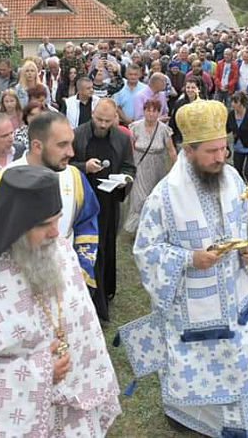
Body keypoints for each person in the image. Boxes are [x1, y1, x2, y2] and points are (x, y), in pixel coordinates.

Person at [118, 98, 248, 438]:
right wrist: (190, 258)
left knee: (239, 360)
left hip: (232, 299)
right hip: (188, 307)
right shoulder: (164, 196)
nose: (221, 157)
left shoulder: (232, 178)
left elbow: (246, 220)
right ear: (188, 151)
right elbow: (146, 250)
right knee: (193, 363)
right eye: (211, 151)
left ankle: (238, 423)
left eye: (223, 148)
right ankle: (187, 416)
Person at [0, 166, 120, 437]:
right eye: (44, 225)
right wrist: (41, 371)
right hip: (22, 417)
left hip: (75, 409)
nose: (55, 233)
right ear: (16, 225)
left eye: (57, 220)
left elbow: (86, 323)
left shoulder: (62, 252)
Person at [0, 112, 99, 287]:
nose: (71, 152)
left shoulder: (75, 178)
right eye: (62, 145)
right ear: (37, 146)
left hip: (66, 280)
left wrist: (82, 270)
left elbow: (87, 223)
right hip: (12, 287)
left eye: (71, 143)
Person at [70, 98, 135, 321]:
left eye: (108, 121)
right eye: (99, 119)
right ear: (92, 114)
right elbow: (64, 165)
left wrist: (125, 180)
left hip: (108, 201)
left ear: (115, 118)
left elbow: (129, 166)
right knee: (86, 246)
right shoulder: (77, 135)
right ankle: (87, 294)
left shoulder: (122, 138)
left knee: (105, 246)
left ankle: (104, 292)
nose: (103, 125)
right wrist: (84, 167)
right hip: (82, 202)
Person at [123, 99, 176, 233]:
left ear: (159, 113)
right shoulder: (135, 127)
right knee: (139, 198)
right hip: (139, 166)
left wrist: (175, 168)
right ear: (144, 111)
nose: (151, 114)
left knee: (155, 198)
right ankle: (137, 230)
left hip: (157, 168)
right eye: (148, 110)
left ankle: (154, 228)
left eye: (154, 111)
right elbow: (128, 148)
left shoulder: (164, 129)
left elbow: (171, 150)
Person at [169, 78, 203, 148]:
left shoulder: (203, 104)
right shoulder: (179, 104)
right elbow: (173, 123)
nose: (190, 90)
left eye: (193, 88)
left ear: (198, 89)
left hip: (198, 139)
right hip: (181, 139)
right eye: (188, 87)